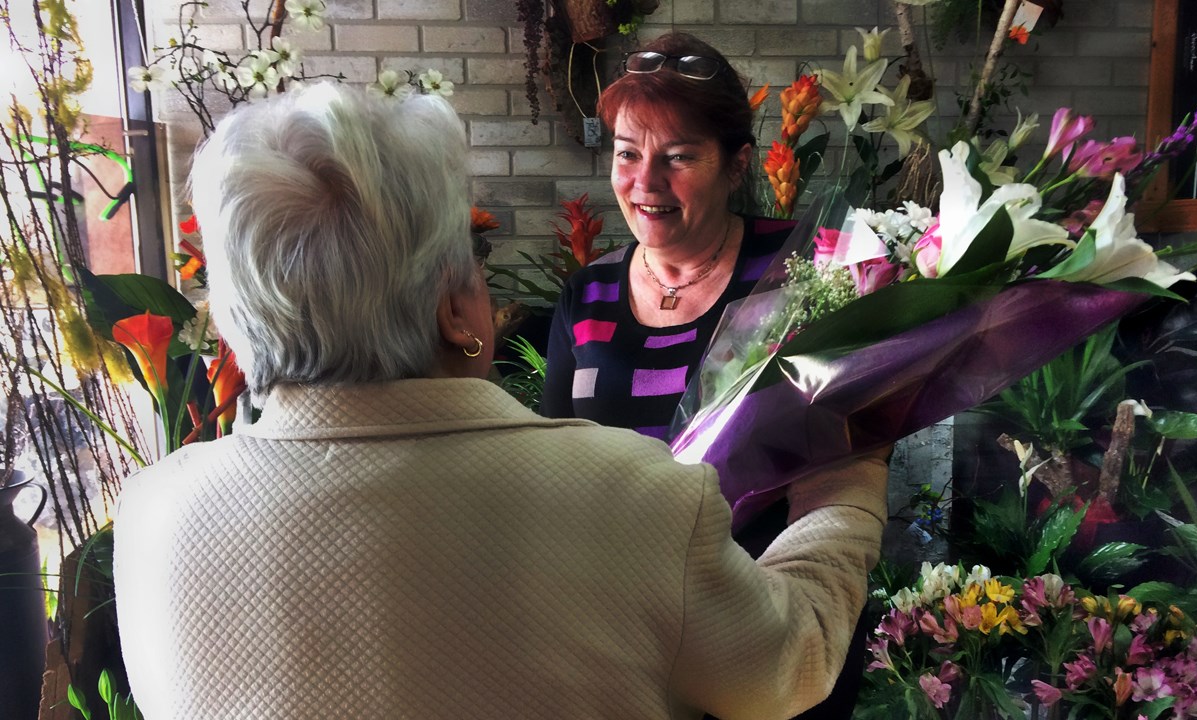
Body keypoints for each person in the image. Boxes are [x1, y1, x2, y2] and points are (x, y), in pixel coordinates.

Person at [112, 82, 888, 719]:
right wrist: (848, 465)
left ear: (237, 326)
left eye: (679, 154)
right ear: (457, 308)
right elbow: (789, 664)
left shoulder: (152, 516)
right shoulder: (638, 498)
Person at [540, 32, 884, 717]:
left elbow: (848, 452)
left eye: (679, 157)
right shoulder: (588, 293)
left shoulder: (802, 272)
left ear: (737, 165)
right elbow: (553, 467)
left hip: (770, 636)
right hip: (624, 645)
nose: (646, 182)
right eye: (628, 154)